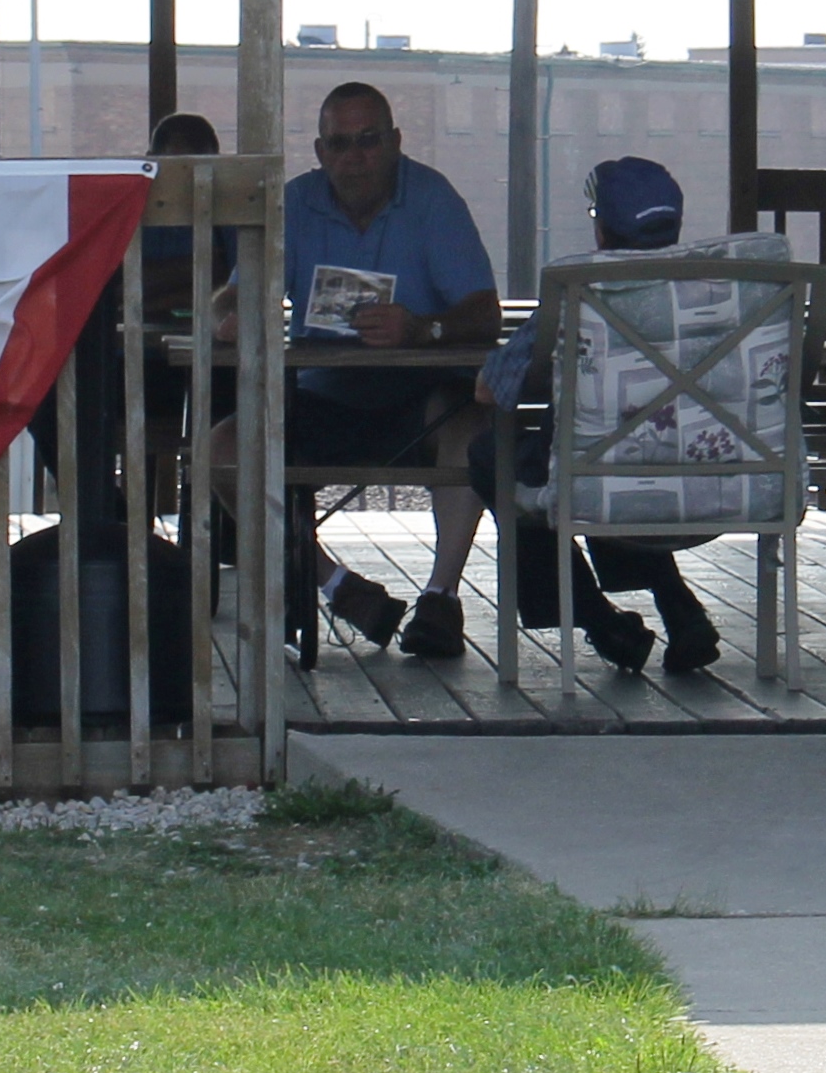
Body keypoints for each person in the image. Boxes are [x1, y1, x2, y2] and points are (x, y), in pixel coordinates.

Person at [479, 155, 726, 679]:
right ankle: (680, 608)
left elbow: (490, 387)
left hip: (603, 477)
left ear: (602, 228)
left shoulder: (580, 294)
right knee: (614, 453)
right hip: (717, 482)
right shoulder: (728, 294)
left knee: (505, 457)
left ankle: (599, 620)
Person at [282, 80, 500, 661]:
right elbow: (231, 295)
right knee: (222, 454)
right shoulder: (293, 204)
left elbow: (485, 313)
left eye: (369, 141)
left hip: (419, 396)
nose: (353, 158)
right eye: (339, 143)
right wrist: (228, 314)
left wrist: (422, 328)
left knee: (476, 426)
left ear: (397, 142)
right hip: (319, 396)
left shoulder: (432, 199)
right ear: (319, 151)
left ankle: (440, 597)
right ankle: (334, 584)